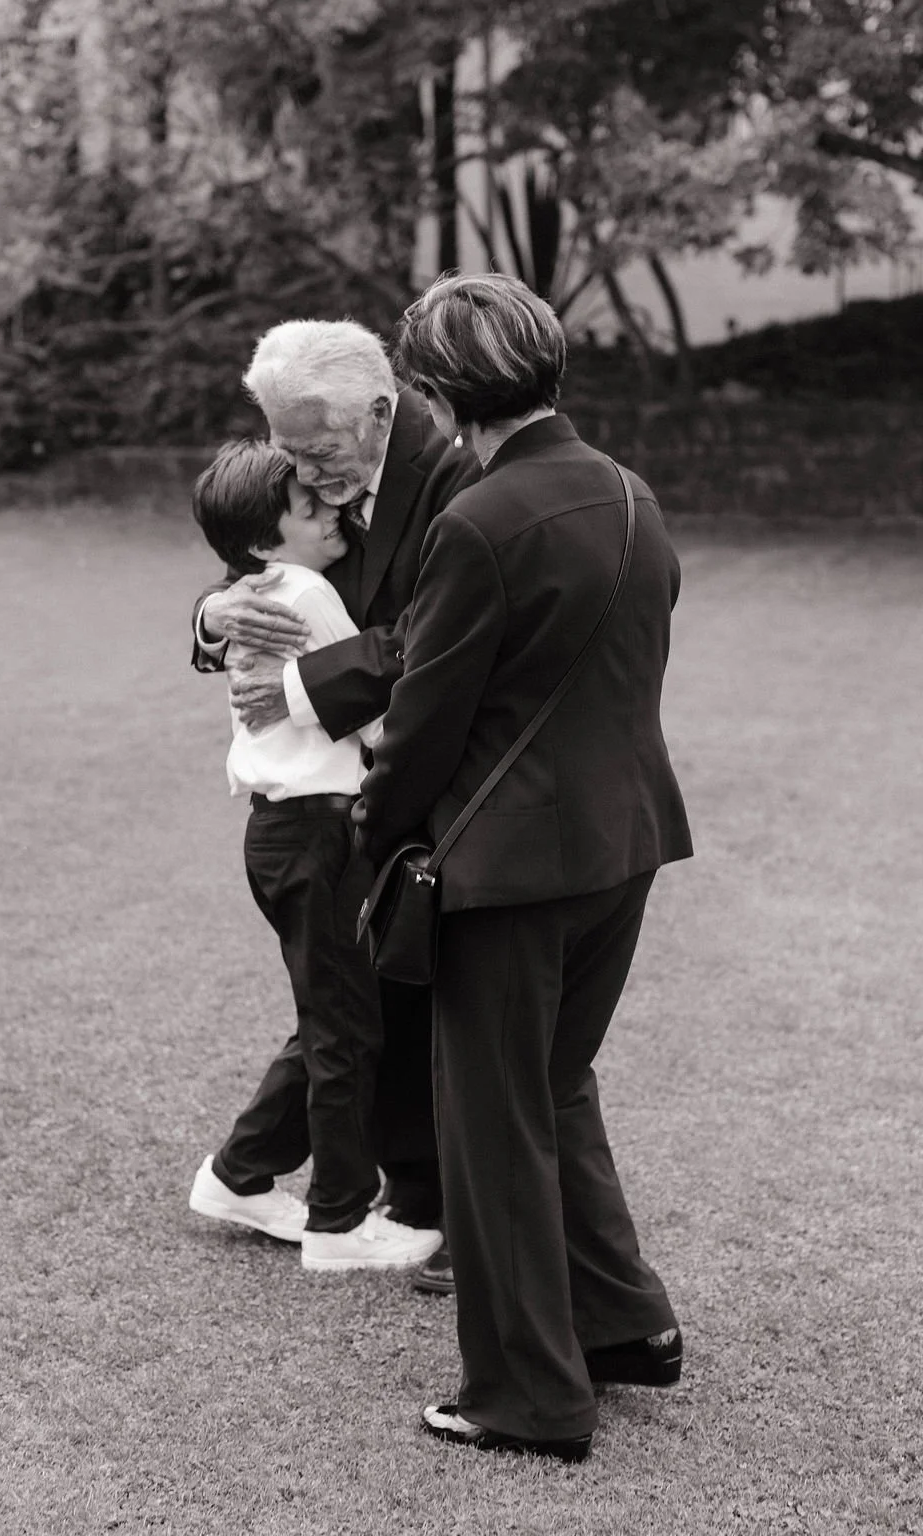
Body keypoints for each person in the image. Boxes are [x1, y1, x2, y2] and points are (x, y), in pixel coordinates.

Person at [353, 273, 694, 1459]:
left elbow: (424, 721)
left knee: (492, 1121)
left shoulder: (475, 522)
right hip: (624, 841)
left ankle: (528, 1398)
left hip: (507, 869)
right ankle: (623, 1327)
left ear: (443, 396)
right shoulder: (631, 492)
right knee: (555, 1087)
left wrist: (371, 831)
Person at [190, 319, 480, 1287]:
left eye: (316, 451)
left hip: (421, 775)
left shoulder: (452, 475)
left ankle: (384, 1193)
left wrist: (309, 688)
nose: (309, 475)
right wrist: (214, 608)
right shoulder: (307, 489)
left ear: (380, 412)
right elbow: (275, 572)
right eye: (291, 454)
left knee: (376, 1006)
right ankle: (363, 1204)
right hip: (325, 806)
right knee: (351, 1010)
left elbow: (438, 628)